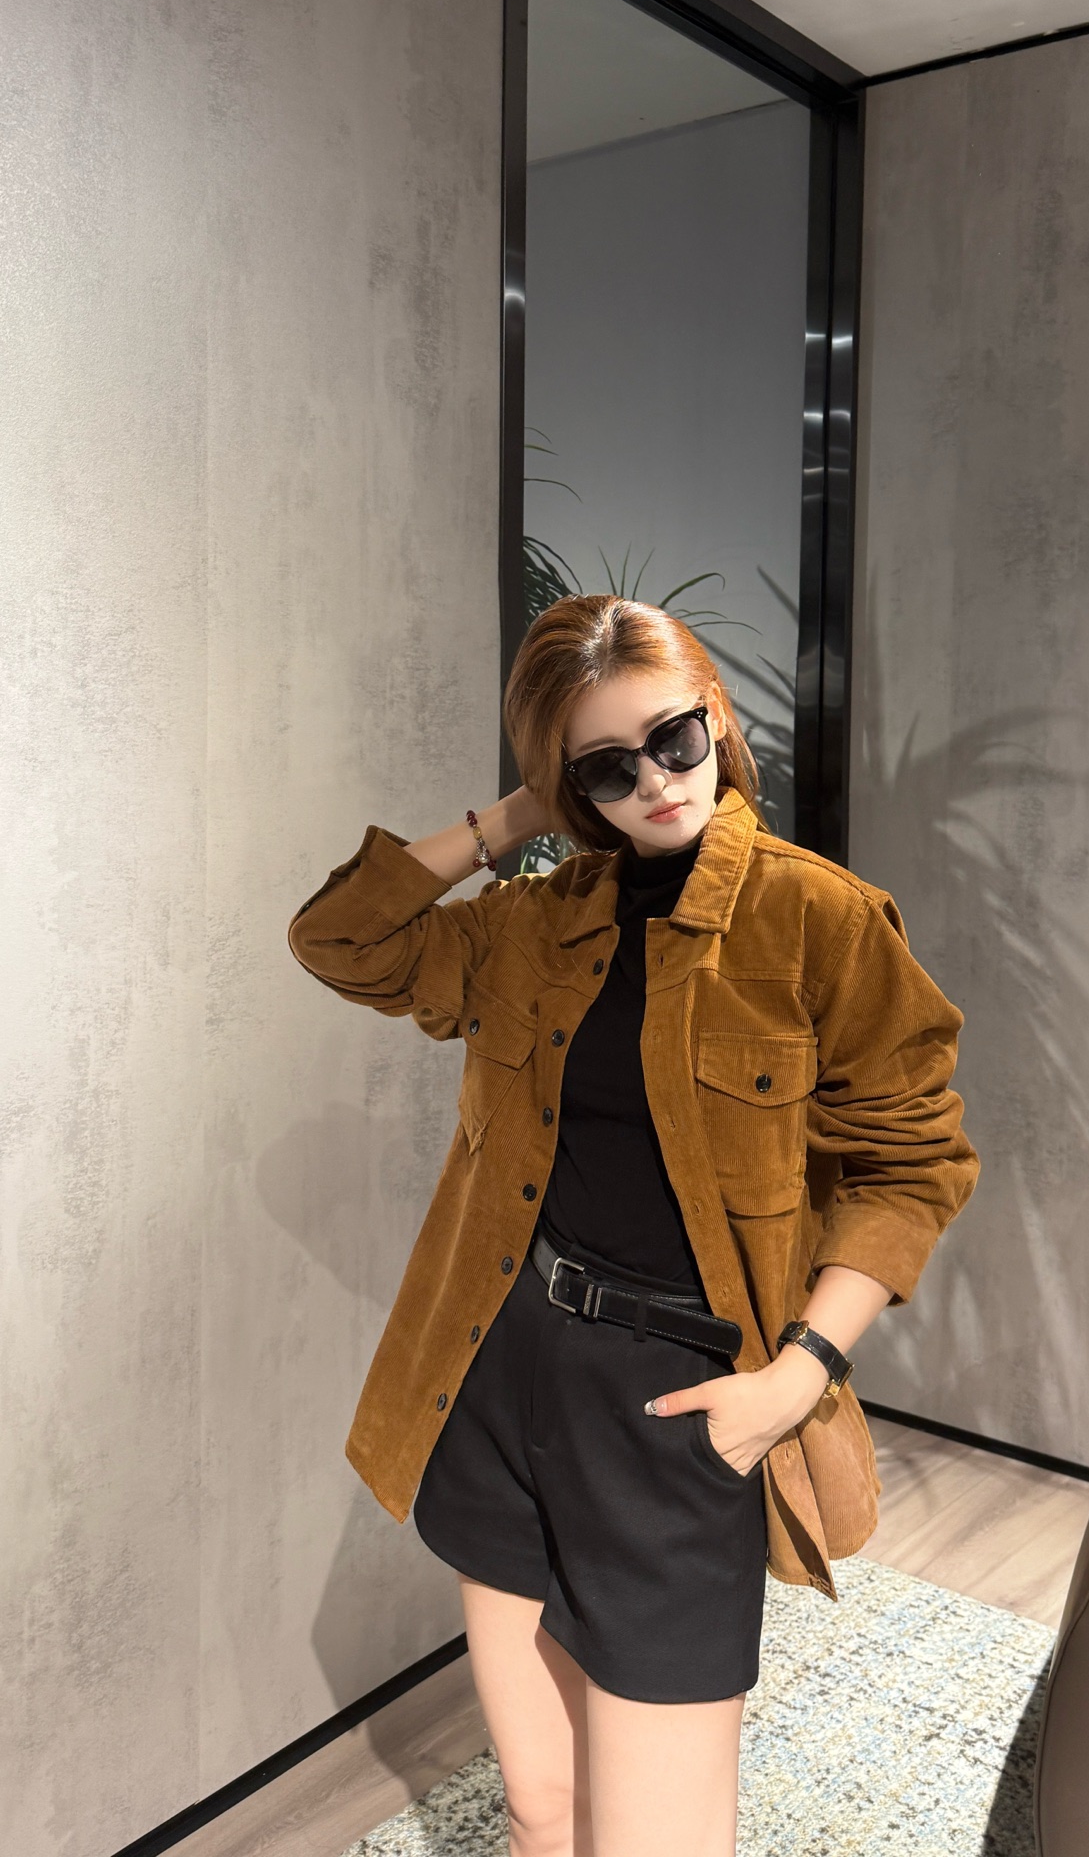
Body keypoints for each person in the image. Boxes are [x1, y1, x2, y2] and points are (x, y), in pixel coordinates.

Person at [287, 593, 979, 1857]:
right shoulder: (532, 921)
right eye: (606, 767)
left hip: (680, 1404)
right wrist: (515, 818)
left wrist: (797, 1377)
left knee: (654, 1835)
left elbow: (912, 1165)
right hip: (503, 1369)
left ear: (716, 716)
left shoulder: (819, 920)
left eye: (673, 738)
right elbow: (340, 940)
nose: (655, 782)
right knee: (542, 1808)